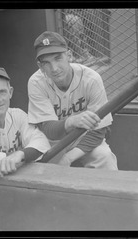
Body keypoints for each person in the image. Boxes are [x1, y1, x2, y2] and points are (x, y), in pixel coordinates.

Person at [27, 31, 118, 170]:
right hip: (52, 141)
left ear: (69, 56)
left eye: (58, 58)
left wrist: (68, 158)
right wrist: (72, 121)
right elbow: (48, 129)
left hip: (82, 136)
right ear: (40, 66)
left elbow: (99, 130)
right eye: (46, 63)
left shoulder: (91, 79)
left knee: (104, 156)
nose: (54, 68)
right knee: (45, 171)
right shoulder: (36, 82)